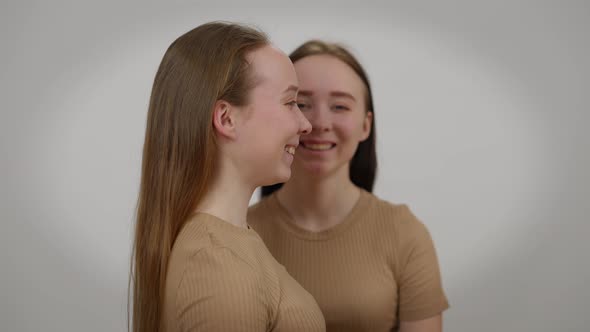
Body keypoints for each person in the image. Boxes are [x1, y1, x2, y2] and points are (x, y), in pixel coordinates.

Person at [130, 22, 326, 332]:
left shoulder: (229, 243)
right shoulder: (215, 263)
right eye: (291, 103)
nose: (305, 124)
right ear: (226, 118)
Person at [248, 40, 449, 332]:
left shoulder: (404, 233)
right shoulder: (239, 232)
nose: (318, 123)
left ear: (365, 125)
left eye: (340, 106)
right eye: (300, 104)